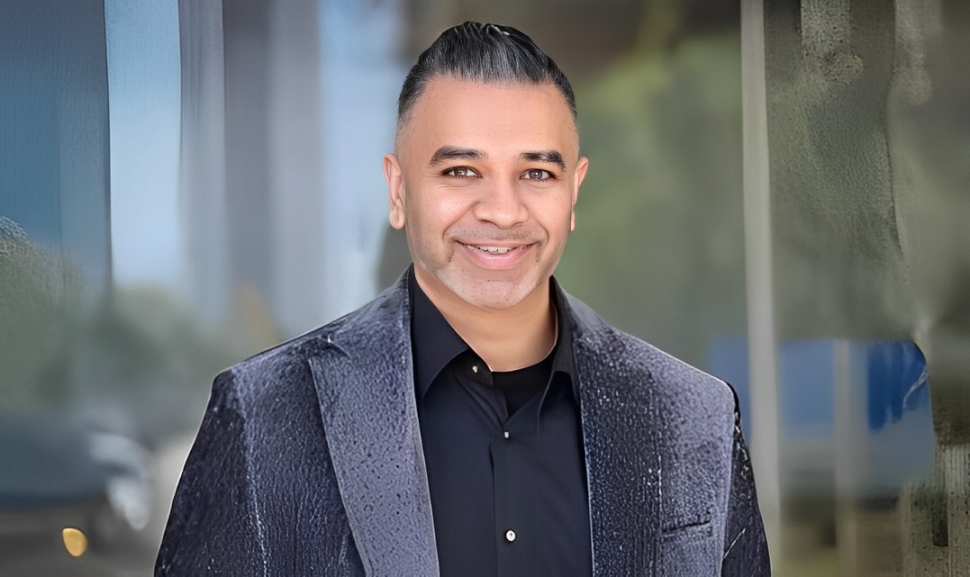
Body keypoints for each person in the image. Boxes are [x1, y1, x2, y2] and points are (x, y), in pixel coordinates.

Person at [156, 22, 769, 577]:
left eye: (536, 173)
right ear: (398, 190)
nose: (502, 211)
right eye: (461, 172)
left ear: (573, 192)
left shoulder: (695, 417)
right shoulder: (266, 415)